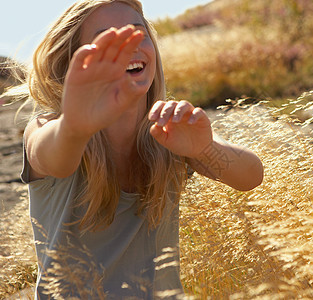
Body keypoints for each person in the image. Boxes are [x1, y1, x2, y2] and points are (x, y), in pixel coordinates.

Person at [14, 0, 263, 298]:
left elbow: (251, 176)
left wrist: (204, 149)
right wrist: (74, 127)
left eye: (137, 33)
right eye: (108, 41)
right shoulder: (49, 126)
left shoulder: (168, 128)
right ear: (74, 63)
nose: (130, 47)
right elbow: (54, 157)